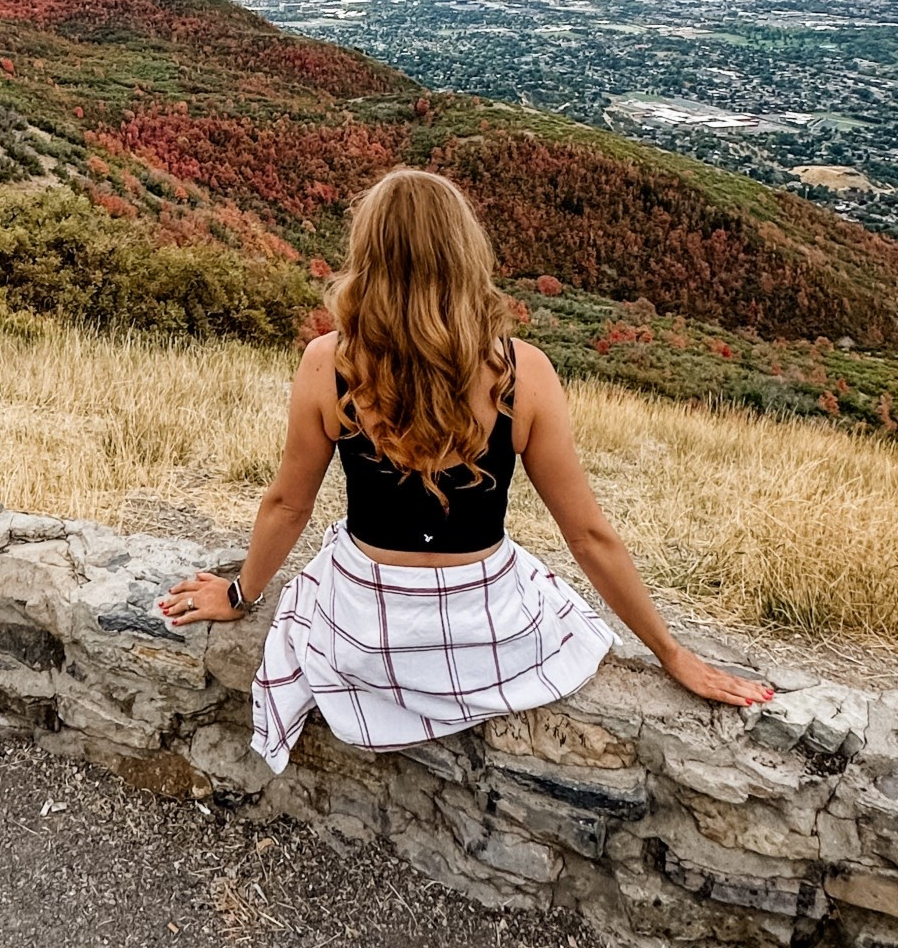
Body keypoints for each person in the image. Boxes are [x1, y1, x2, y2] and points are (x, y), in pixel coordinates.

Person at [158, 167, 773, 773]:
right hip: (488, 636)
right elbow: (589, 537)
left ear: (367, 255)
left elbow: (286, 506)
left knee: (323, 571)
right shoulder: (522, 372)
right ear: (465, 254)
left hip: (364, 633)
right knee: (544, 585)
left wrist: (240, 595)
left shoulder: (330, 362)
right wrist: (670, 653)